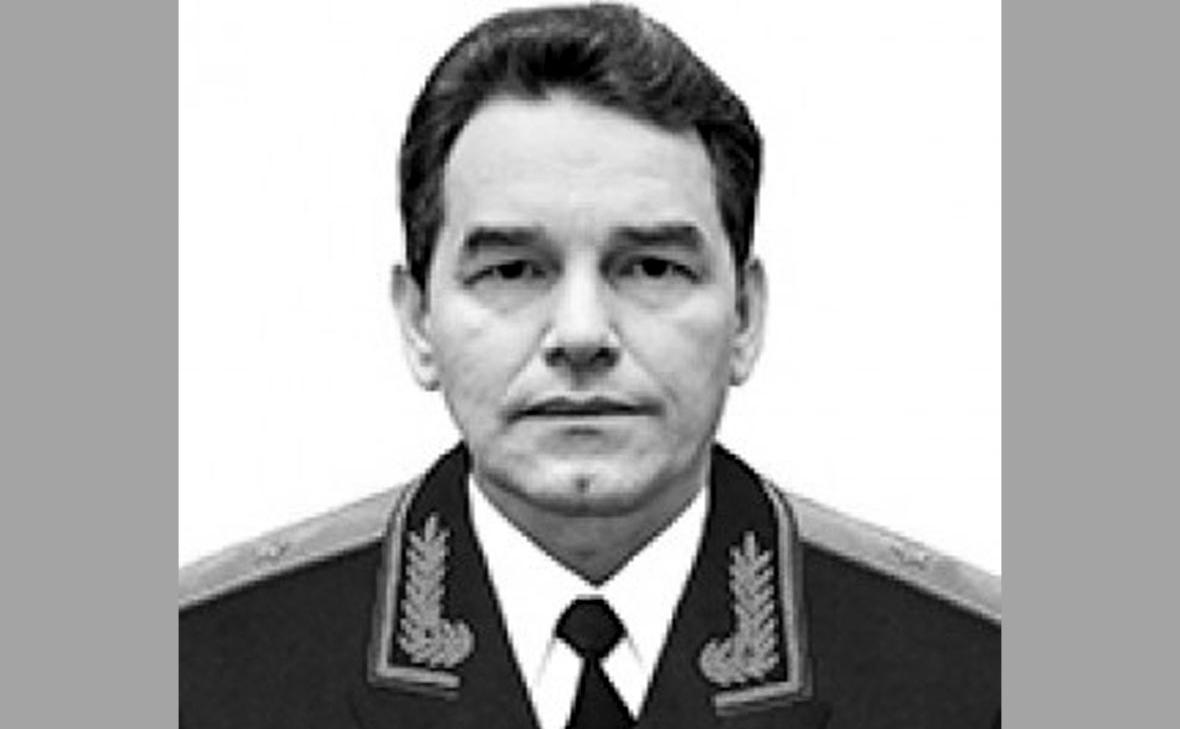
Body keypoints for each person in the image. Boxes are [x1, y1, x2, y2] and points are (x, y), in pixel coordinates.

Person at [180, 4, 1000, 728]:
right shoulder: (196, 669)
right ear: (418, 319)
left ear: (746, 316)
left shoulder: (980, 673)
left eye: (651, 267)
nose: (581, 333)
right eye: (512, 270)